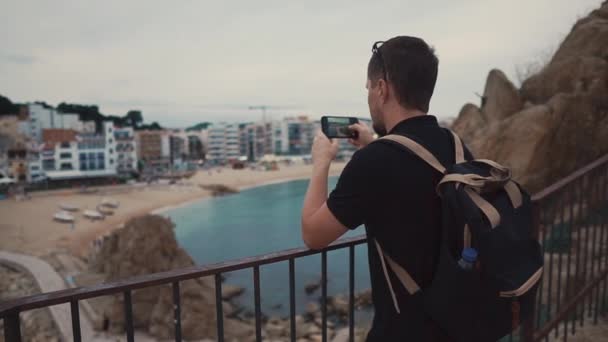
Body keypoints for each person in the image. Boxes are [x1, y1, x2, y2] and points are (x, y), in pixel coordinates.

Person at [301, 36, 472, 341]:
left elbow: (314, 235)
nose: (369, 96)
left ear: (381, 88)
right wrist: (374, 144)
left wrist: (320, 164)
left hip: (405, 331)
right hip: (458, 322)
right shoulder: (456, 146)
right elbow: (414, 172)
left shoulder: (374, 163)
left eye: (368, 88)